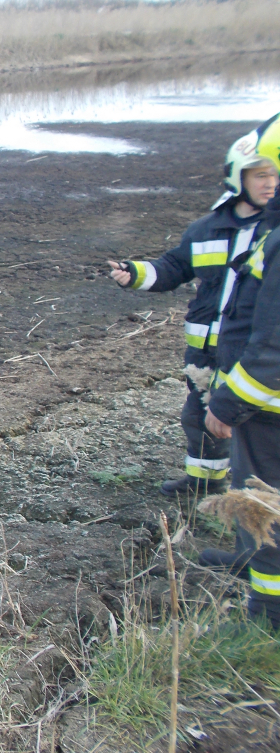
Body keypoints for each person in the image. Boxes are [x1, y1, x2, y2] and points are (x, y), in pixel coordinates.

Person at [108, 119, 280, 498]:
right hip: (205, 352)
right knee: (199, 417)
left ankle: (250, 502)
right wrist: (136, 274)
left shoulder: (275, 232)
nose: (269, 183)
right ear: (238, 177)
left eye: (274, 175)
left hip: (252, 353)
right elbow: (173, 266)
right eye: (259, 175)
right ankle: (204, 483)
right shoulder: (206, 229)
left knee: (253, 427)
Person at [201, 116, 280, 626]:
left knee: (264, 503)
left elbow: (273, 347)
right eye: (261, 174)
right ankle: (254, 566)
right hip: (261, 405)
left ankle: (266, 614)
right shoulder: (227, 229)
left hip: (266, 408)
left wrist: (229, 401)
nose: (270, 183)